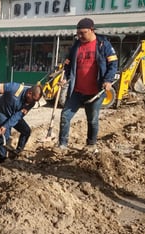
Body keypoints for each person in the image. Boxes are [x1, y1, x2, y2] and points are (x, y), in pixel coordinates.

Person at [58, 18, 118, 151]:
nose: (79, 36)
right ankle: (62, 145)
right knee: (65, 116)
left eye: (83, 33)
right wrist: (66, 77)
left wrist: (108, 80)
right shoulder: (76, 46)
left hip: (95, 92)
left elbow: (113, 64)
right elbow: (68, 64)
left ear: (91, 30)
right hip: (77, 91)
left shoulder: (103, 44)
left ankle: (91, 144)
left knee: (92, 120)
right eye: (78, 33)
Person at [0, 83, 42, 162]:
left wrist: (6, 125)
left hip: (13, 116)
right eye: (34, 99)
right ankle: (1, 158)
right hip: (1, 113)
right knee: (5, 134)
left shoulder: (31, 103)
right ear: (29, 93)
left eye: (36, 100)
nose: (34, 102)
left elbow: (18, 116)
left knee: (26, 131)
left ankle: (17, 151)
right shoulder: (15, 88)